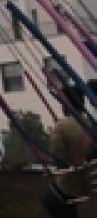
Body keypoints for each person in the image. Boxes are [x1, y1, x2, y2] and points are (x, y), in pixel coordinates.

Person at [46, 82, 94, 218]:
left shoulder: (62, 126)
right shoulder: (91, 122)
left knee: (51, 201)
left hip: (75, 184)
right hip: (93, 180)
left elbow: (56, 158)